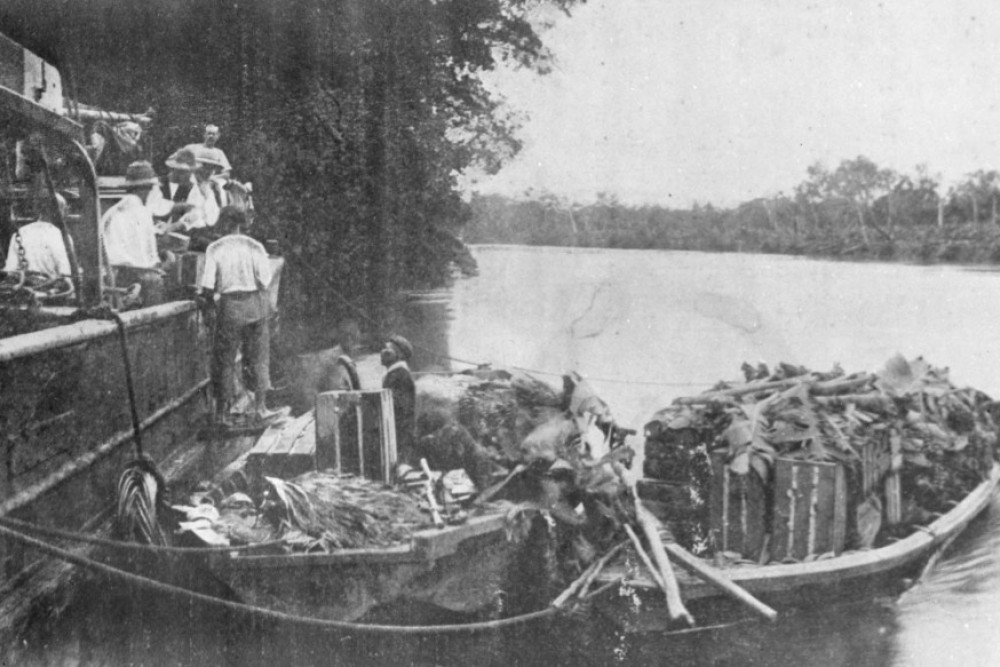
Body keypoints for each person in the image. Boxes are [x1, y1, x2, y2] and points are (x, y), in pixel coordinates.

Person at [200, 206, 282, 423]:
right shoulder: (255, 246)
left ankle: (222, 415)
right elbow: (264, 280)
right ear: (241, 224)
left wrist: (208, 308)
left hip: (229, 307)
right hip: (255, 305)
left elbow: (207, 287)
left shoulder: (214, 248)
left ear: (224, 224)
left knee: (224, 361)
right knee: (259, 358)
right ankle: (261, 408)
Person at [101, 160, 166, 306]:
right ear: (147, 189)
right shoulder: (142, 212)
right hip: (132, 278)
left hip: (116, 276)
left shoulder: (114, 211)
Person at [4, 194, 73, 280]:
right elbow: (66, 274)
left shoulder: (19, 234)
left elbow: (11, 271)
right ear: (59, 212)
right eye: (64, 210)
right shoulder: (62, 237)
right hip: (52, 290)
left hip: (26, 290)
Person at [381, 334, 416, 462]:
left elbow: (400, 409)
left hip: (399, 437)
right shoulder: (394, 374)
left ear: (399, 355)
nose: (382, 352)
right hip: (396, 434)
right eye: (383, 348)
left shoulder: (400, 376)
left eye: (387, 350)